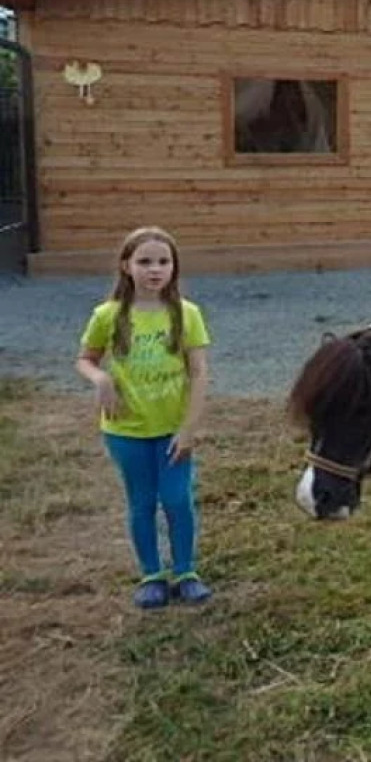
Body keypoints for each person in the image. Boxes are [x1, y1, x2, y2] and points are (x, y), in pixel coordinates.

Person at [75, 226, 214, 610]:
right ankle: (152, 575)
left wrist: (189, 428)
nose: (155, 270)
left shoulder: (186, 314)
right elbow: (85, 359)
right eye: (145, 261)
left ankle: (186, 572)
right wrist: (100, 377)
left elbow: (200, 371)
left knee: (177, 499)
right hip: (126, 432)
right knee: (141, 502)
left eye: (163, 262)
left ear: (174, 268)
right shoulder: (107, 316)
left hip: (172, 430)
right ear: (126, 266)